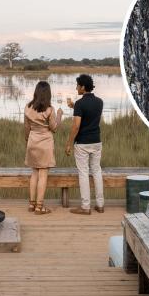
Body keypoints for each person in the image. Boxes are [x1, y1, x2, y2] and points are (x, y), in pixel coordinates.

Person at [65, 74, 104, 215]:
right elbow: (90, 113)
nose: (76, 88)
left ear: (82, 87)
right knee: (96, 171)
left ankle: (85, 207)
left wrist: (69, 143)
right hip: (96, 141)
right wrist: (73, 106)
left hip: (82, 143)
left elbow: (76, 126)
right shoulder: (99, 102)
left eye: (77, 86)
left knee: (83, 173)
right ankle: (100, 205)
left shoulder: (80, 104)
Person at [24, 81, 63, 215]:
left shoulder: (27, 107)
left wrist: (28, 141)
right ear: (48, 94)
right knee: (43, 174)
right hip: (45, 142)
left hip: (32, 141)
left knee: (34, 173)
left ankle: (31, 204)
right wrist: (59, 115)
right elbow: (54, 128)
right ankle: (39, 207)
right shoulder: (49, 110)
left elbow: (26, 129)